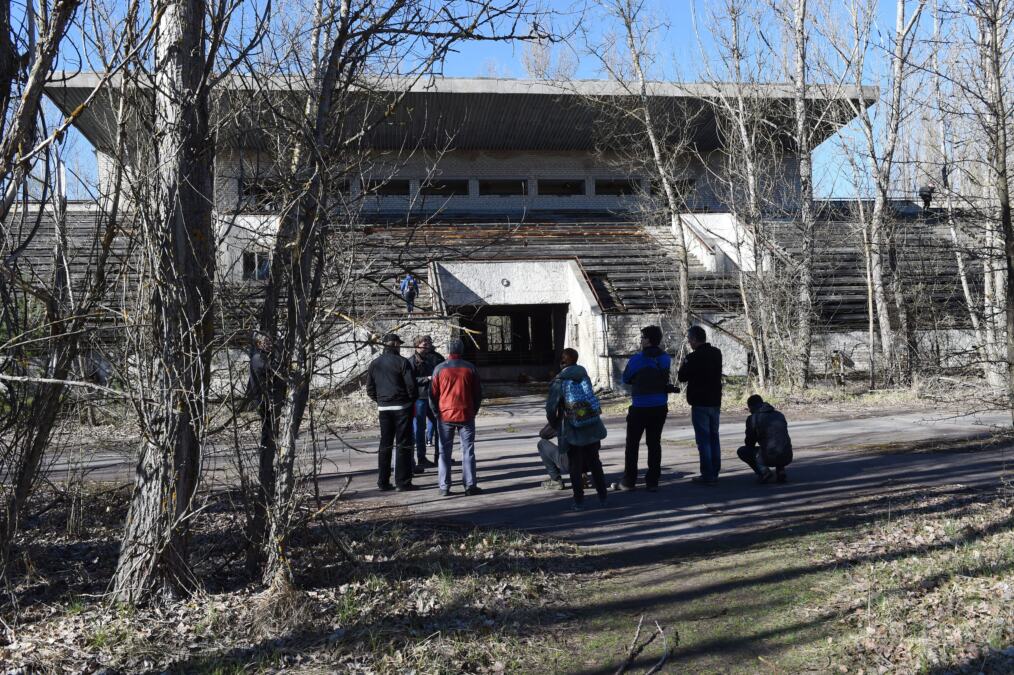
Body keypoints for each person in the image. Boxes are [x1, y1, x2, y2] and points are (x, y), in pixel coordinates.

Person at [546, 348, 608, 509]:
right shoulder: (583, 375)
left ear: (562, 362)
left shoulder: (559, 381)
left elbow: (551, 409)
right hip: (591, 424)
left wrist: (555, 424)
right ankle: (603, 498)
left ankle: (579, 501)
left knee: (575, 466)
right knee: (595, 462)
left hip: (571, 428)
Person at [620, 326, 673, 492]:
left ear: (649, 340)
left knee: (632, 444)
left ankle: (629, 481)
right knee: (654, 443)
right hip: (660, 406)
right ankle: (652, 481)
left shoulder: (637, 360)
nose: (640, 340)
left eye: (642, 337)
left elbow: (625, 378)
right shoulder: (665, 358)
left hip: (640, 407)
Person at [430, 338, 483, 496]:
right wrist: (473, 411)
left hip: (445, 414)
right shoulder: (470, 368)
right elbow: (477, 393)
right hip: (466, 413)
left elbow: (433, 394)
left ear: (448, 351)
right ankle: (470, 485)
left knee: (444, 452)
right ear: (462, 350)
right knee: (468, 450)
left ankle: (444, 486)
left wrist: (436, 412)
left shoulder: (439, 369)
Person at [365, 333, 418, 492]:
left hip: (384, 408)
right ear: (394, 344)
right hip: (402, 407)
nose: (400, 346)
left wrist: (381, 400)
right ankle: (402, 482)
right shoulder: (402, 362)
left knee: (385, 444)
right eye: (399, 344)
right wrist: (409, 401)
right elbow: (412, 386)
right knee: (403, 444)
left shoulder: (374, 364)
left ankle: (383, 481)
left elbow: (370, 389)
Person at [678, 325, 724, 485]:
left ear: (694, 339)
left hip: (699, 402)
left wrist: (684, 363)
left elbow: (682, 377)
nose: (689, 343)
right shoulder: (716, 353)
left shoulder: (693, 357)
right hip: (715, 401)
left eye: (690, 340)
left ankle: (707, 474)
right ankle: (714, 471)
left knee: (703, 440)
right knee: (714, 437)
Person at [737, 394, 793, 483]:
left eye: (749, 409)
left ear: (751, 407)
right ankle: (781, 471)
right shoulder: (779, 414)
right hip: (787, 455)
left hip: (769, 456)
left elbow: (749, 443)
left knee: (743, 451)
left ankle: (764, 471)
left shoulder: (753, 418)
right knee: (778, 443)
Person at [410, 335, 444, 469]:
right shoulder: (411, 361)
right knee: (419, 429)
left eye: (429, 343)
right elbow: (410, 381)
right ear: (417, 345)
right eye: (424, 344)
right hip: (419, 398)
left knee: (439, 426)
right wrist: (427, 379)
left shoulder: (434, 358)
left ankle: (439, 456)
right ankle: (421, 458)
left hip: (434, 397)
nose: (427, 346)